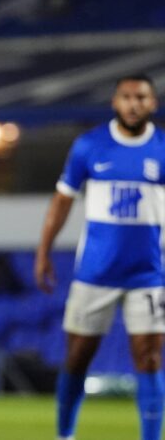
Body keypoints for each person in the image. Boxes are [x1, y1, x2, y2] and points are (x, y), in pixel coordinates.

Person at [34, 74, 164, 440]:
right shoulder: (90, 146)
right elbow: (62, 202)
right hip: (95, 274)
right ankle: (65, 435)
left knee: (151, 360)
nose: (133, 103)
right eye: (126, 97)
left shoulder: (163, 149)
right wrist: (43, 251)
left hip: (148, 275)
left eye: (141, 97)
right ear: (115, 102)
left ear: (152, 103)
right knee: (76, 359)